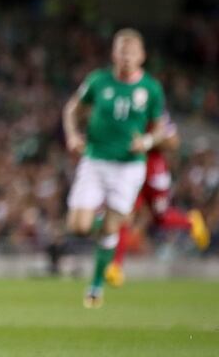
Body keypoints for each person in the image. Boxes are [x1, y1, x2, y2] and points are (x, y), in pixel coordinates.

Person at [62, 28, 166, 308]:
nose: (126, 57)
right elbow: (73, 109)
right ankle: (108, 221)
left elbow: (160, 129)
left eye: (131, 52)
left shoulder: (151, 89)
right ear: (114, 54)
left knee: (110, 227)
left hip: (128, 167)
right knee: (78, 226)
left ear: (142, 56)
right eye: (122, 51)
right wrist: (72, 135)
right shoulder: (98, 81)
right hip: (95, 160)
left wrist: (146, 141)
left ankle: (96, 285)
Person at [104, 115, 210, 287]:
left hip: (153, 169)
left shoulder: (154, 111)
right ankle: (115, 267)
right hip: (130, 169)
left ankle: (190, 221)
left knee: (159, 216)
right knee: (123, 214)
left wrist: (147, 142)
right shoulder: (122, 108)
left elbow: (173, 142)